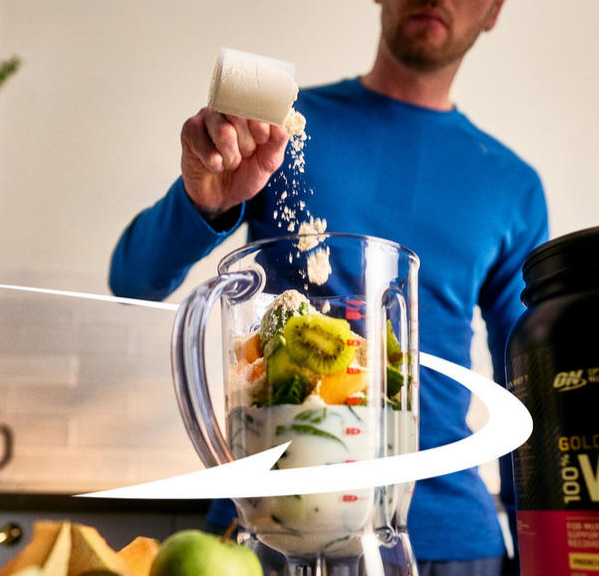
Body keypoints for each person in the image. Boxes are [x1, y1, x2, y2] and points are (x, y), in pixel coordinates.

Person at [110, 0, 547, 574]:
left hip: (451, 540)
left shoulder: (512, 185)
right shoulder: (279, 129)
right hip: (272, 524)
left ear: (493, 12)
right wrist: (204, 201)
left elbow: (530, 382)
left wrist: (538, 552)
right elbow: (133, 280)